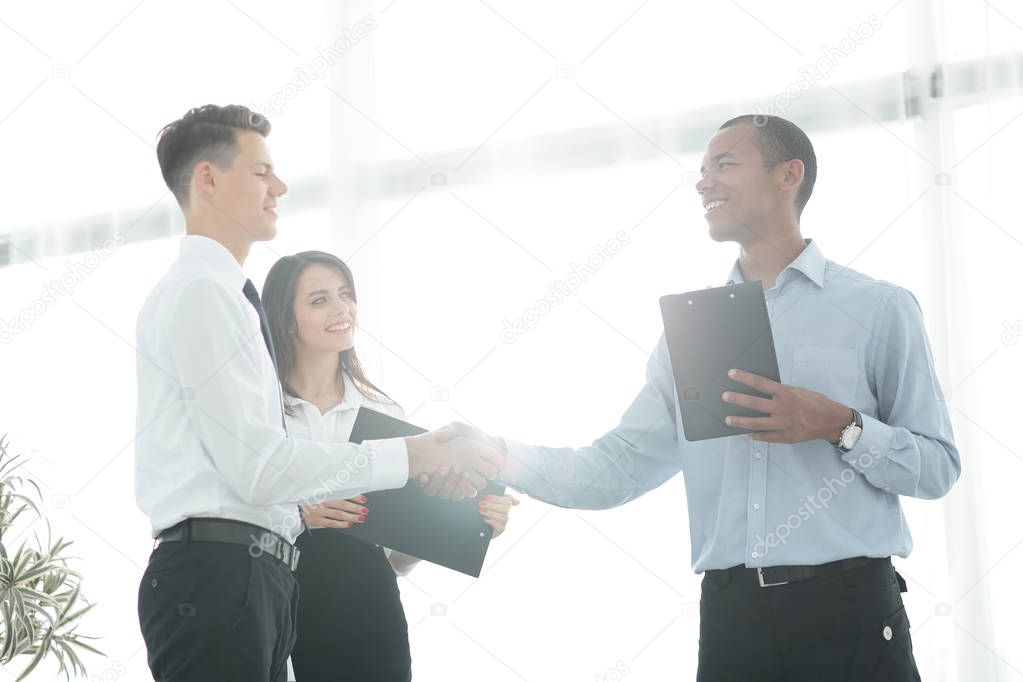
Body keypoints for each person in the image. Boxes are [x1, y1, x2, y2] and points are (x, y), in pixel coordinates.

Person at [432, 115, 960, 681]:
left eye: (724, 165)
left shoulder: (878, 308)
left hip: (849, 611)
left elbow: (936, 470)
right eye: (702, 169)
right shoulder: (695, 330)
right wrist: (496, 454)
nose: (704, 182)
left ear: (789, 175)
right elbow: (617, 467)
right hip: (735, 620)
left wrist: (840, 424)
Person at [134, 104, 502, 682]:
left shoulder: (226, 297)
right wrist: (416, 453)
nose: (279, 187)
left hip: (256, 577)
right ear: (207, 178)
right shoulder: (205, 294)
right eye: (260, 173)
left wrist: (451, 510)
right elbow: (258, 468)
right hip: (221, 573)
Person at [260, 250, 520, 681]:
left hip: (367, 610)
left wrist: (468, 519)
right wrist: (300, 515)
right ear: (286, 319)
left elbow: (395, 558)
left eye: (346, 295)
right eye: (320, 300)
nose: (342, 308)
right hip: (278, 597)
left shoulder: (382, 412)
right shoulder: (260, 413)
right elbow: (227, 504)